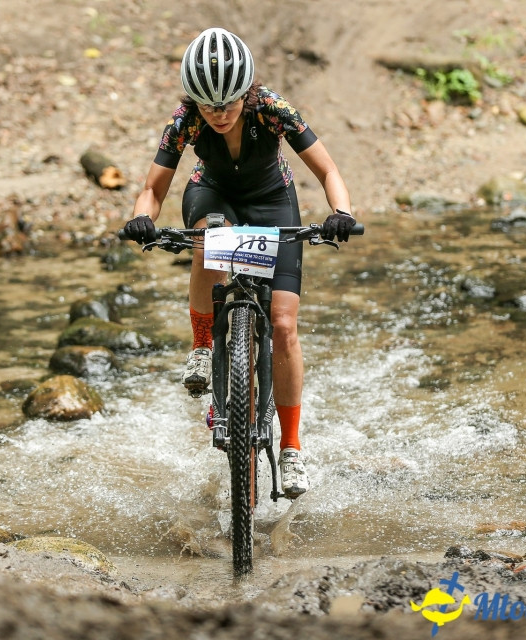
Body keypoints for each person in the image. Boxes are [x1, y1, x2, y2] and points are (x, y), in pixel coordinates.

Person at [121, 27, 357, 499]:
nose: (219, 115)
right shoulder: (186, 117)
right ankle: (204, 345)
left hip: (273, 200)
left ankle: (291, 447)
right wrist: (141, 220)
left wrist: (341, 213)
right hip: (213, 195)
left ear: (247, 92)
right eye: (209, 106)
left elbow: (328, 170)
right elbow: (153, 188)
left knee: (284, 325)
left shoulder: (272, 108)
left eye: (228, 104)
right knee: (211, 234)